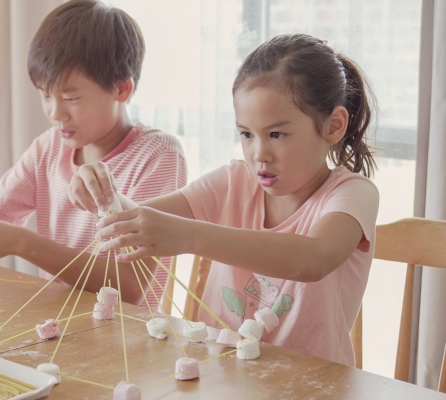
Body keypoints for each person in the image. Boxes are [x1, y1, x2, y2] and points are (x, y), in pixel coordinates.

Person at [68, 33, 379, 366]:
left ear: (333, 125)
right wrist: (105, 195)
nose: (259, 154)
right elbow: (140, 218)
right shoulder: (233, 181)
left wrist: (189, 236)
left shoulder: (352, 194)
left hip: (313, 386)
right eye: (246, 134)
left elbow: (315, 258)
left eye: (277, 134)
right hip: (218, 376)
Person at [0, 0, 187, 307]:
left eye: (70, 98)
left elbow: (131, 286)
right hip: (55, 329)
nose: (55, 113)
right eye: (45, 95)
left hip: (126, 343)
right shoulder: (49, 148)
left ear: (121, 89)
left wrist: (19, 242)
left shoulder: (158, 156)